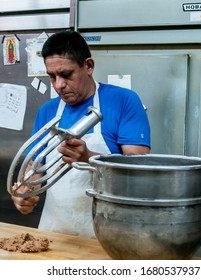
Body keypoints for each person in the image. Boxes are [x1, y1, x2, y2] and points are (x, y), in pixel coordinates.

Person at [11, 30, 151, 237]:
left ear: (88, 66)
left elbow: (139, 169)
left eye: (66, 75)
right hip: (56, 231)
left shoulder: (123, 101)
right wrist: (24, 190)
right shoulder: (48, 111)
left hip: (109, 234)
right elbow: (36, 164)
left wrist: (89, 159)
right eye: (52, 77)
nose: (59, 85)